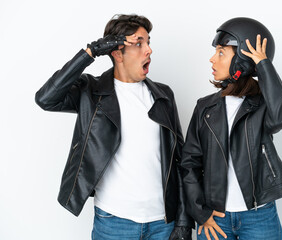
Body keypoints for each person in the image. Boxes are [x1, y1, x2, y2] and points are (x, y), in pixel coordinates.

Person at [35, 14, 193, 240]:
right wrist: (91, 52)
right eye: (139, 44)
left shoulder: (163, 95)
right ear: (117, 53)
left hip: (162, 222)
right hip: (113, 223)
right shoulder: (91, 91)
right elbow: (45, 98)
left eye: (148, 42)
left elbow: (180, 160)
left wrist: (184, 220)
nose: (148, 50)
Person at [180, 17, 282, 240]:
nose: (213, 59)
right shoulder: (205, 108)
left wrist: (263, 65)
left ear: (242, 62)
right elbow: (189, 164)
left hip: (259, 217)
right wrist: (200, 213)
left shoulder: (262, 105)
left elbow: (280, 117)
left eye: (222, 52)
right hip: (215, 218)